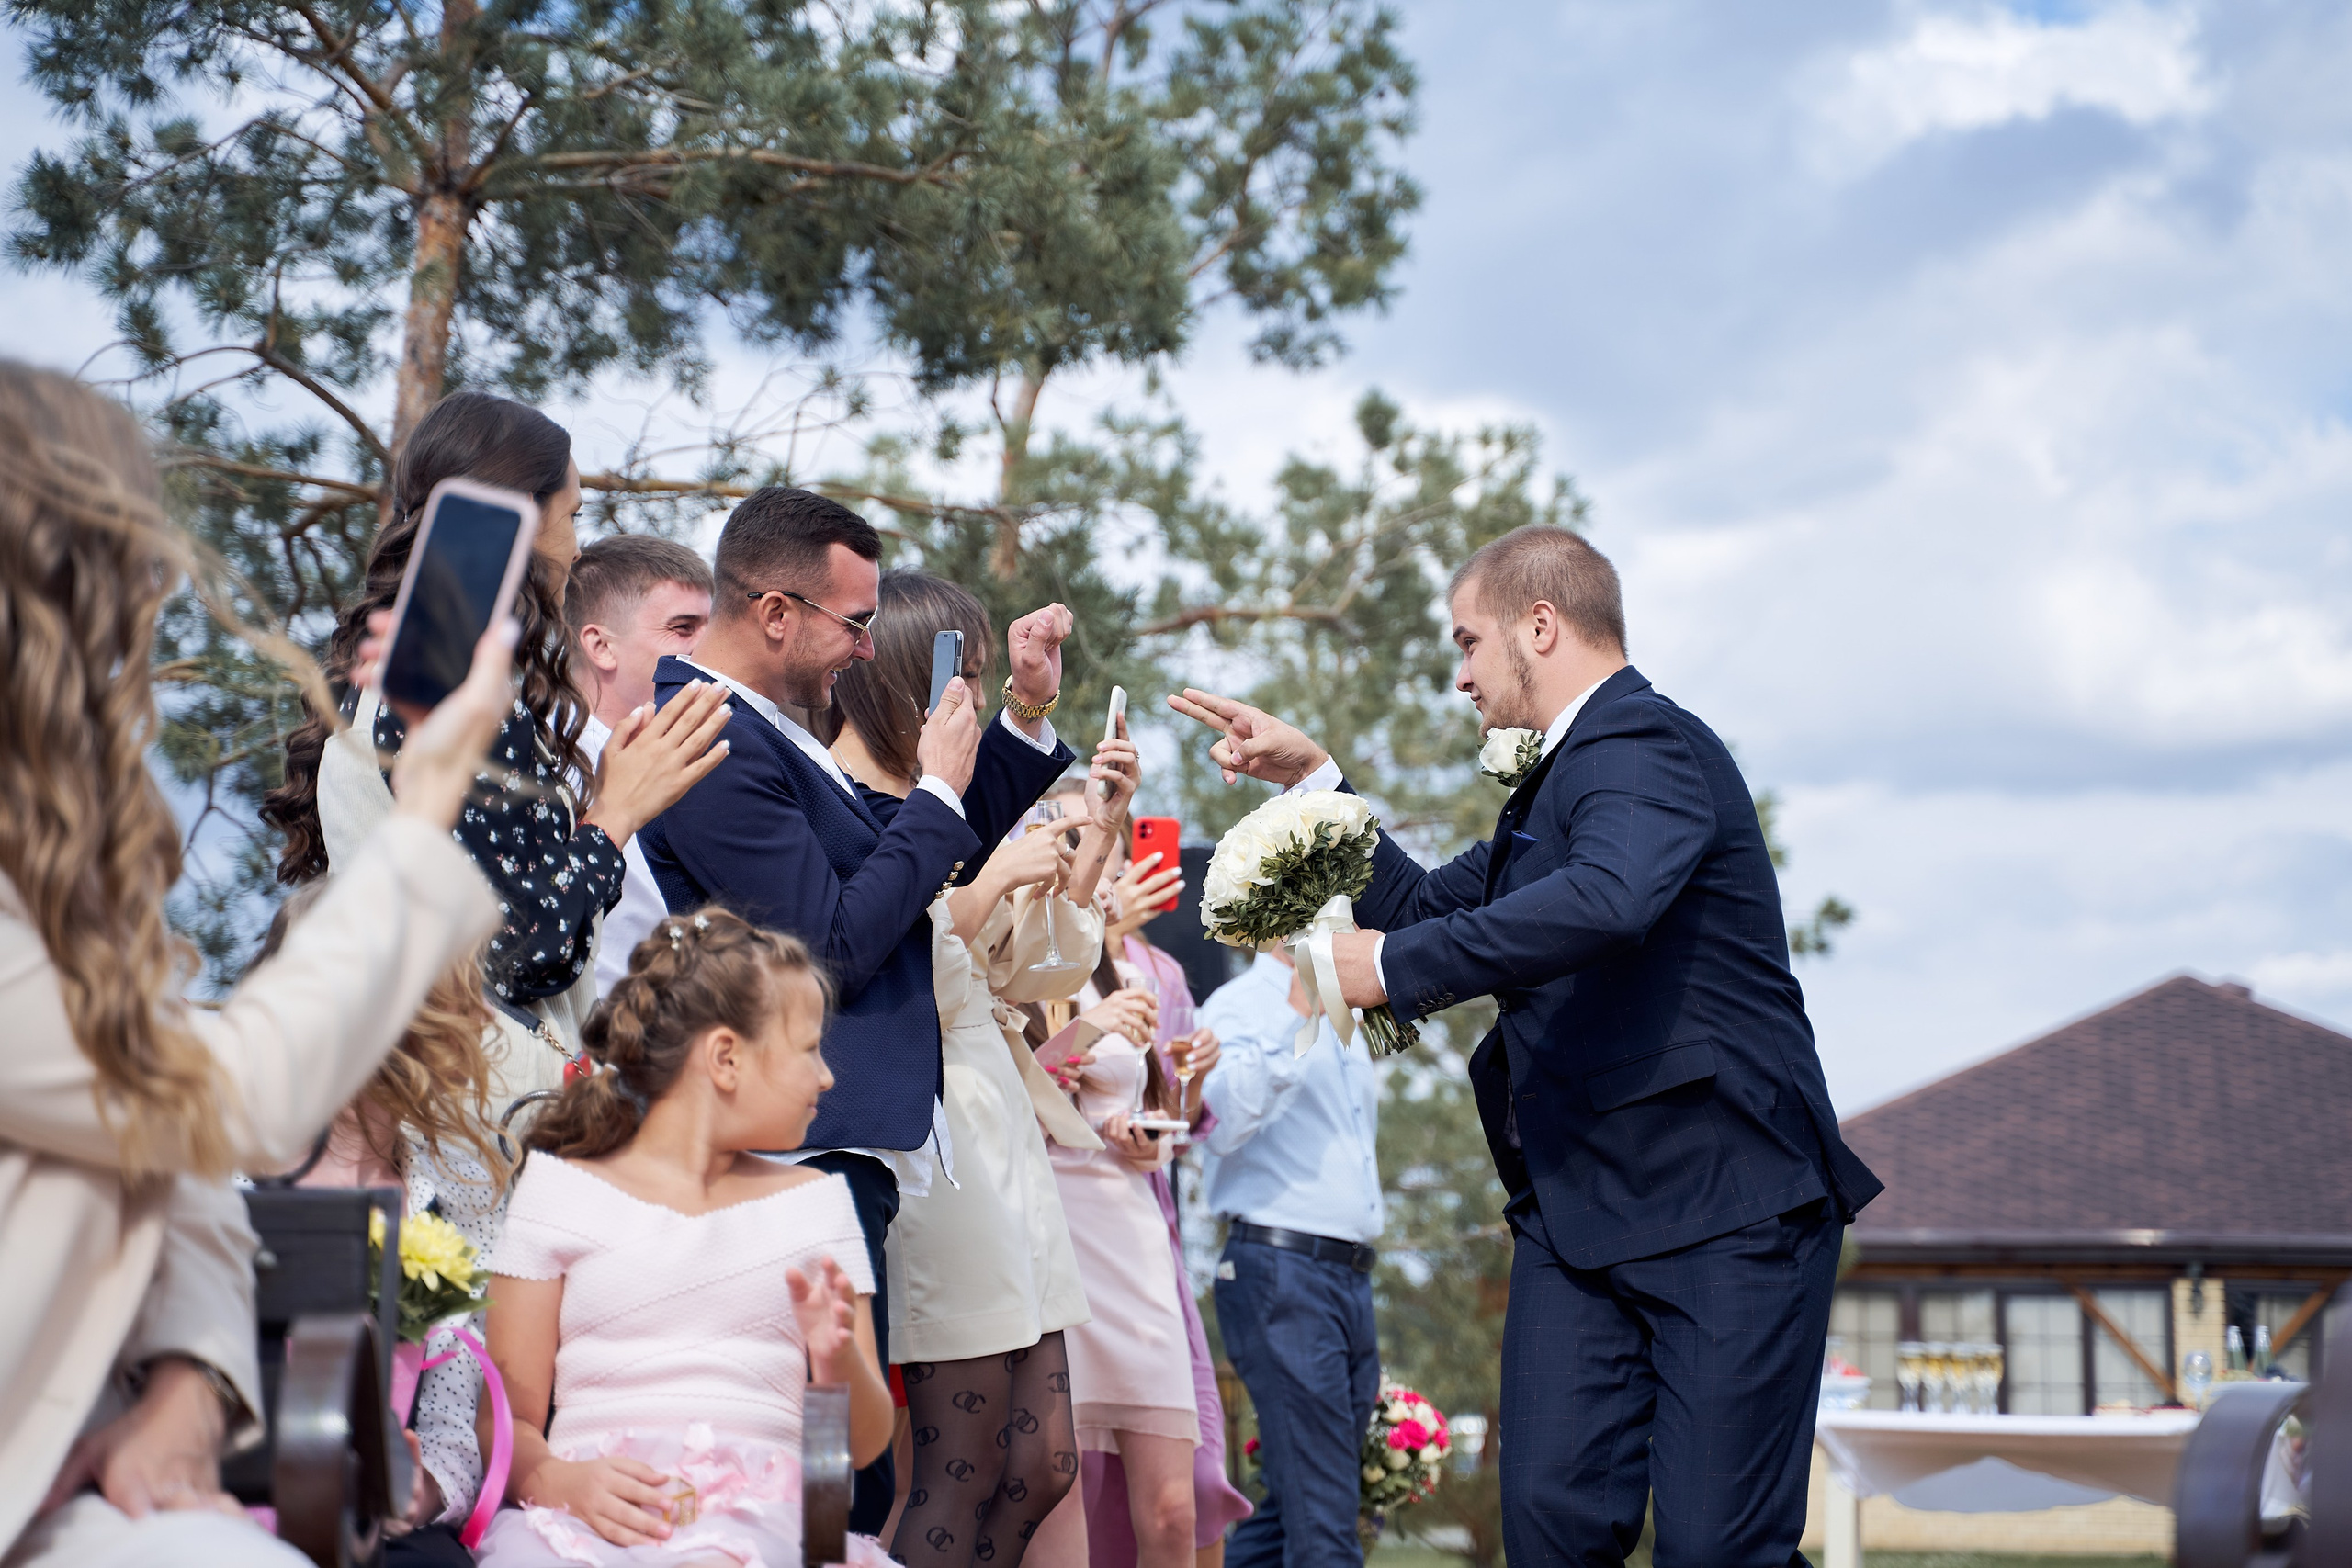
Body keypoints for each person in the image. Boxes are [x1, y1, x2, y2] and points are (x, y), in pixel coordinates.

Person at [1170, 524, 1885, 1567]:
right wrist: (1316, 782)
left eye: (1468, 643)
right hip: (1578, 1220)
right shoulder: (1546, 797)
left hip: (1724, 1210)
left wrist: (1394, 971)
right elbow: (1418, 906)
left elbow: (1609, 900)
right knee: (1548, 1529)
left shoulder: (1647, 748)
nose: (1459, 676)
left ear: (1538, 626)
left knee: (1715, 1550)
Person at [0, 360, 514, 1566]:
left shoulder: (60, 872)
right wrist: (427, 800)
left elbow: (189, 1186)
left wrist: (185, 1388)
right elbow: (227, 1099)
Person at [639, 487, 1074, 1531]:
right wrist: (934, 796)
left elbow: (903, 843)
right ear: (778, 611)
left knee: (854, 1473)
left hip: (847, 1144)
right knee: (835, 1479)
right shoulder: (707, 733)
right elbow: (825, 945)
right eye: (855, 622)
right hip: (803, 1148)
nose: (865, 650)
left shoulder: (766, 730)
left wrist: (1013, 725)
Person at [265, 391, 731, 1105]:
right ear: (519, 511)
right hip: (475, 1095)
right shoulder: (447, 687)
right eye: (572, 515)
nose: (577, 547)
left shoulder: (412, 676)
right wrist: (615, 813)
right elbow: (519, 952)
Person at [824, 572, 1138, 1568]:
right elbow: (856, 946)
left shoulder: (947, 807)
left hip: (1002, 1132)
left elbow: (1029, 969)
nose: (969, 698)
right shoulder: (843, 805)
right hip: (933, 1134)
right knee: (957, 1463)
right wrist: (994, 872)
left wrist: (1080, 852)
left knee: (1043, 1462)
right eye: (956, 674)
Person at [475, 909, 895, 1568]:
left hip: (771, 1538)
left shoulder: (819, 1205)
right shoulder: (559, 1191)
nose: (826, 1076)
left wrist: (835, 1361)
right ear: (726, 1057)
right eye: (809, 1047)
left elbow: (851, 1454)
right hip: (593, 1535)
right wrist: (558, 1482)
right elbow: (507, 1418)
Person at [251, 884, 511, 1566]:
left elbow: (454, 1431)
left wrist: (414, 1491)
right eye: (458, 993)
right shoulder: (223, 1174)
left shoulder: (464, 1190)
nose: (486, 1015)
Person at [1033, 867, 1202, 1568]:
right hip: (1055, 1235)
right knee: (1055, 1493)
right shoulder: (1028, 963)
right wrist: (1084, 1027)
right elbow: (1014, 1092)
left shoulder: (1132, 979)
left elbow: (1160, 1111)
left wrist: (1167, 1109)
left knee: (1172, 1510)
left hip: (1133, 1235)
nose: (1100, 872)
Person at [1193, 942, 1381, 1568]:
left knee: (1296, 1505)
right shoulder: (1238, 1005)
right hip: (1281, 1272)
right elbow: (1216, 1122)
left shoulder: (1348, 1014)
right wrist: (1297, 1009)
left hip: (1349, 1278)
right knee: (1326, 1521)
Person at [563, 534, 718, 995]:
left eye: (711, 626)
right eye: (683, 628)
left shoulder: (703, 753)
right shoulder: (551, 770)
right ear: (602, 646)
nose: (707, 649)